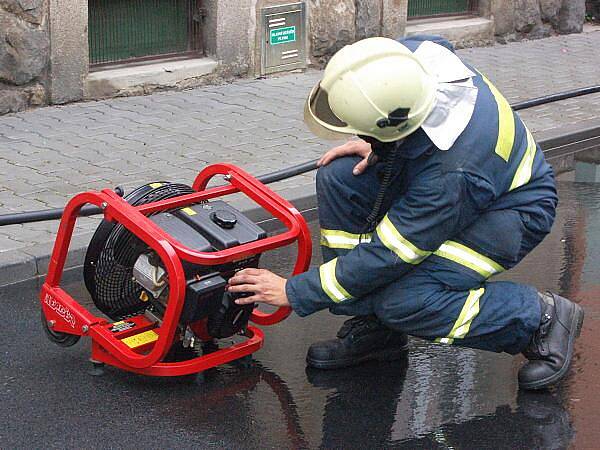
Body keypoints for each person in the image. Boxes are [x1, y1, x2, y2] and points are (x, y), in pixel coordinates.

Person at [227, 35, 585, 390]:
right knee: (340, 178)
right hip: (453, 173)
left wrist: (296, 290)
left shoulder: (450, 177)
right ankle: (375, 327)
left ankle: (540, 319)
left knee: (405, 300)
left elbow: (391, 254)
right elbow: (437, 45)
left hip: (511, 209)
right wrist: (381, 141)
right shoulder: (408, 59)